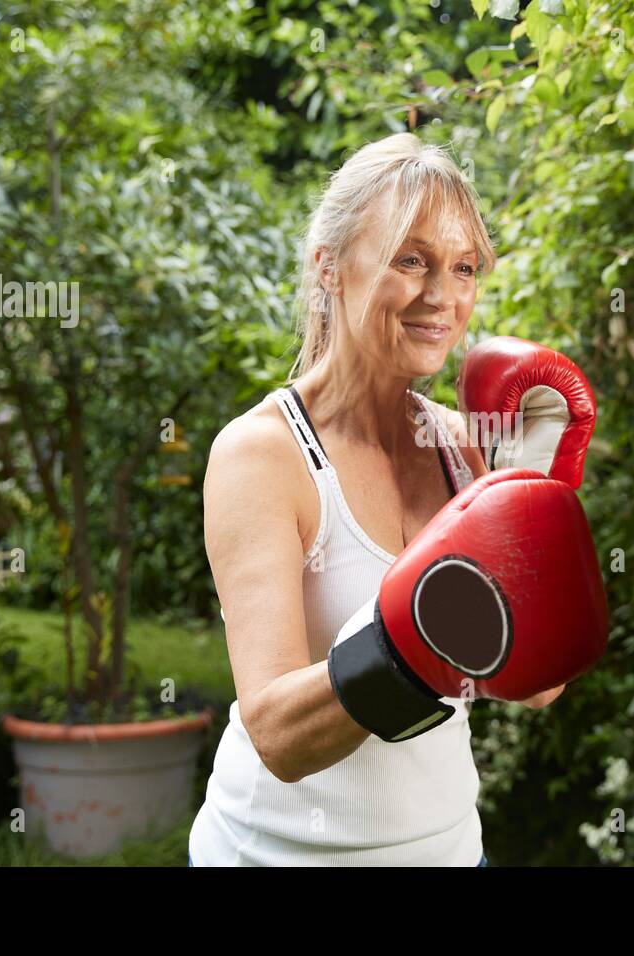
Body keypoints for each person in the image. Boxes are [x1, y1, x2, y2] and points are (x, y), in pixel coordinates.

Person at [188, 133, 578, 866]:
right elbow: (277, 735)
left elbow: (536, 688)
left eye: (464, 268)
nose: (443, 296)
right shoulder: (262, 455)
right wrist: (420, 637)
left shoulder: (464, 449)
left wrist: (541, 486)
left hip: (452, 850)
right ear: (328, 266)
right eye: (411, 260)